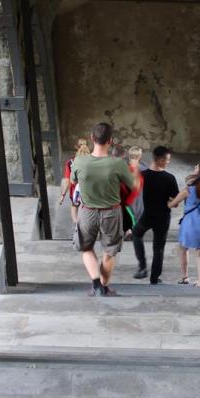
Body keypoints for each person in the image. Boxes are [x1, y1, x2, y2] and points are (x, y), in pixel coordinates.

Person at [72, 122, 137, 296]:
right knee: (109, 252)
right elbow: (132, 186)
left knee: (86, 248)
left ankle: (96, 285)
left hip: (87, 211)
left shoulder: (79, 161)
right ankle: (104, 287)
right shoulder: (118, 164)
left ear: (92, 138)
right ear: (111, 141)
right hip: (111, 213)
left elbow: (73, 180)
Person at [132, 146, 179, 284]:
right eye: (167, 160)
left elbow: (135, 193)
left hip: (147, 216)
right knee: (158, 248)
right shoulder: (170, 178)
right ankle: (154, 278)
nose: (168, 162)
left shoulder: (143, 176)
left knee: (136, 234)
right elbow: (175, 203)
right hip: (163, 218)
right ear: (160, 160)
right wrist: (169, 201)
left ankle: (142, 266)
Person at [170, 160, 200, 286]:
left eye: (196, 168)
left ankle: (185, 277)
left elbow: (172, 204)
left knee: (183, 249)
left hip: (189, 226)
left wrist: (169, 201)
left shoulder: (188, 190)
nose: (194, 167)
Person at [59, 138, 89, 223]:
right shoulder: (92, 160)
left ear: (76, 147)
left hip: (76, 193)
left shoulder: (71, 163)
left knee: (74, 207)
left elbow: (68, 181)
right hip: (89, 192)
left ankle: (76, 224)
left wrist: (63, 195)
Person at [120, 146, 144, 238]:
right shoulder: (144, 169)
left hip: (128, 197)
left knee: (128, 214)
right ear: (140, 156)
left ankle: (128, 230)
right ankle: (134, 230)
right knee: (137, 214)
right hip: (139, 197)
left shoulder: (125, 169)